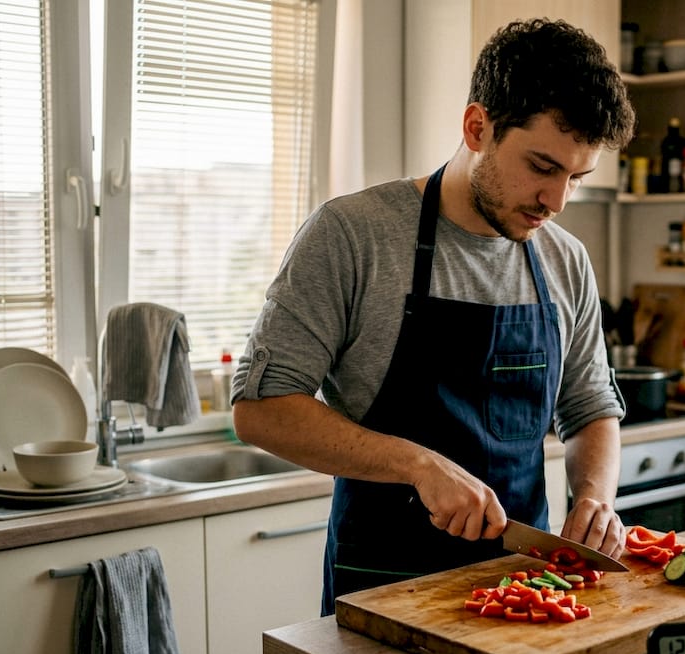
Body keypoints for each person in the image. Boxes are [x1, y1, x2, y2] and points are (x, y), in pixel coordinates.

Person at [231, 18, 637, 615]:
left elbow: (591, 407)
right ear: (478, 128)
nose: (557, 202)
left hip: (526, 589)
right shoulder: (354, 234)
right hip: (383, 588)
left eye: (577, 178)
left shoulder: (564, 260)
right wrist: (417, 465)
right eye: (543, 168)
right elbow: (261, 411)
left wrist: (595, 498)